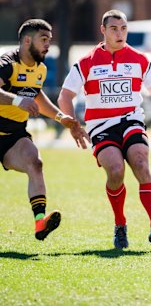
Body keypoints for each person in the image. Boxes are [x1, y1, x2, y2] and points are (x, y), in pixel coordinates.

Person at [57, 10, 151, 249]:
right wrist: (70, 122)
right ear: (103, 30)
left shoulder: (139, 59)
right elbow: (65, 95)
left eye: (123, 28)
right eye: (114, 29)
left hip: (131, 121)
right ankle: (120, 224)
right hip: (101, 127)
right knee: (115, 171)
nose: (120, 33)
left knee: (141, 163)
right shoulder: (86, 63)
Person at [0, 19, 85, 241]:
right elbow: (21, 97)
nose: (48, 45)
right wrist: (17, 100)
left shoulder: (40, 69)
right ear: (27, 40)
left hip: (13, 135)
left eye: (50, 40)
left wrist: (60, 117)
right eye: (43, 40)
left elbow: (36, 94)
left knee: (35, 163)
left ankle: (40, 223)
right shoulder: (7, 64)